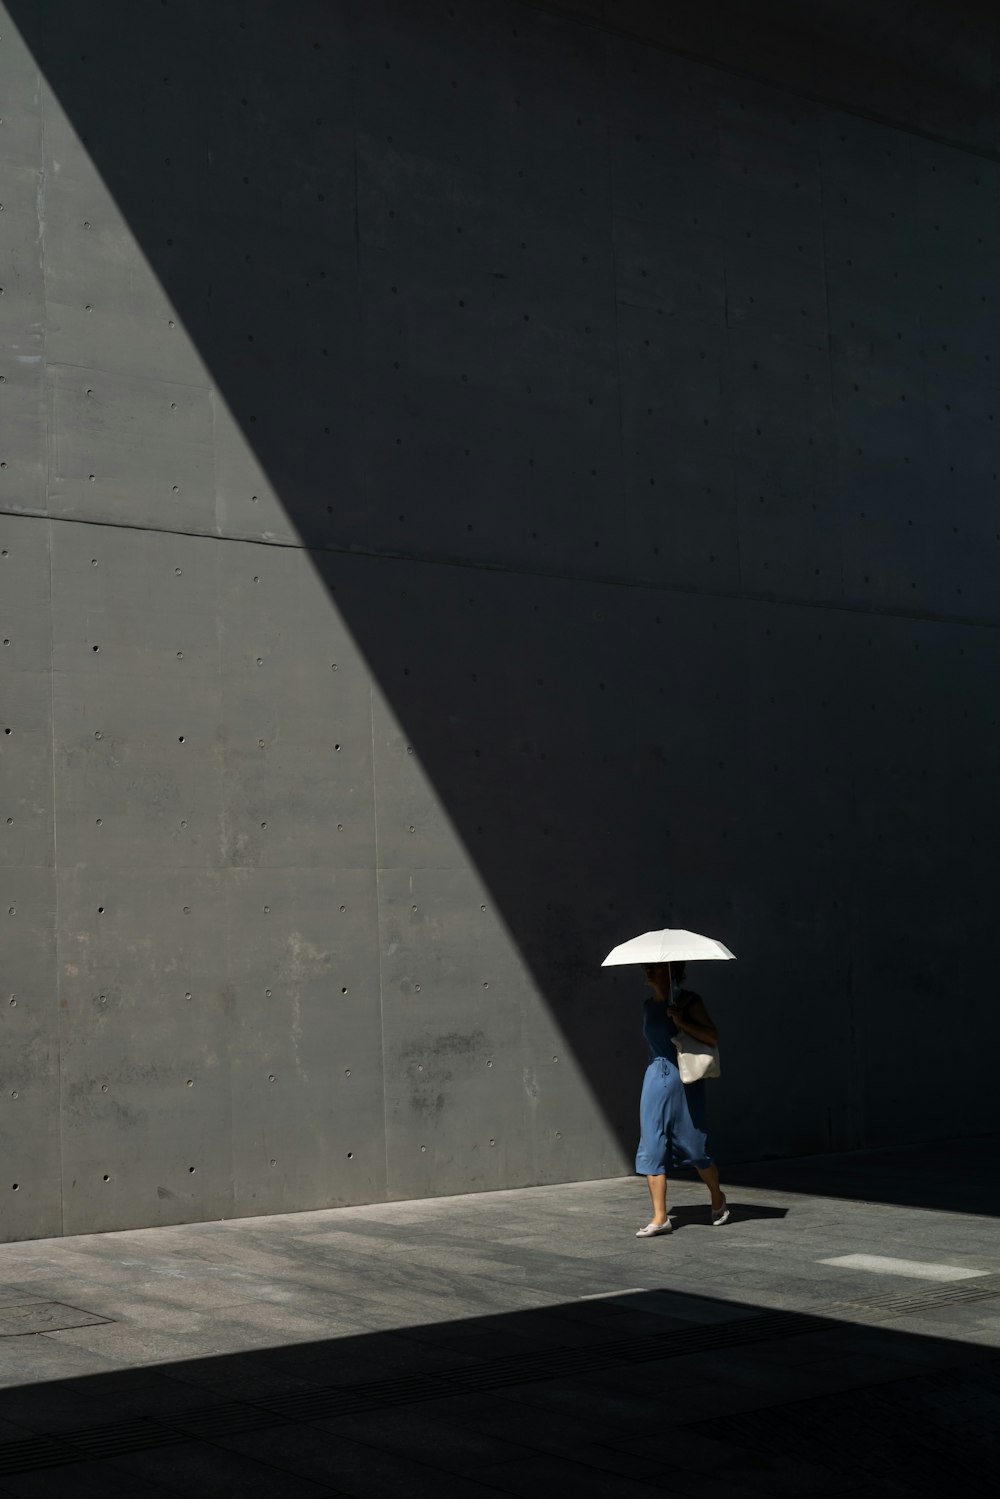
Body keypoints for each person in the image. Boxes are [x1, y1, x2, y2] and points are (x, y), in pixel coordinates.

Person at [634, 960, 729, 1237]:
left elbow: (712, 1036)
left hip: (685, 1080)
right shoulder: (647, 1006)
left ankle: (717, 1197)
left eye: (655, 967)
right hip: (655, 1079)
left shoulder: (689, 1001)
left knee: (695, 1149)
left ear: (672, 970)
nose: (648, 972)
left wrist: (682, 1021)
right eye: (645, 968)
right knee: (651, 1146)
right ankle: (660, 1217)